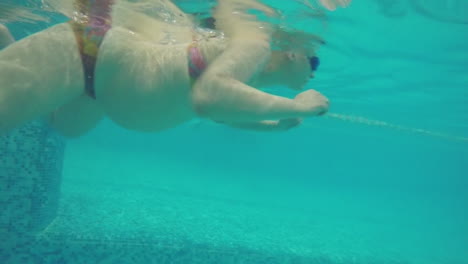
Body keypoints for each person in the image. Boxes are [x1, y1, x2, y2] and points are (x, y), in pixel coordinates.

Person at [0, 0, 332, 137]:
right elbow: (209, 96)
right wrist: (299, 105)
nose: (313, 73)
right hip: (89, 52)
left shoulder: (251, 74)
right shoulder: (256, 43)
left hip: (99, 92)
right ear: (292, 54)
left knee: (64, 127)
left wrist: (271, 125)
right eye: (314, 61)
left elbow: (222, 111)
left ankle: (9, 48)